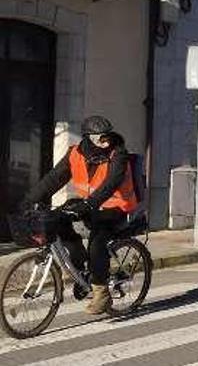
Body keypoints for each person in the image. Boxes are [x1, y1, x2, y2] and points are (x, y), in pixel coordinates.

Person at [21, 116, 140, 314]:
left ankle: (101, 293)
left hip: (117, 207)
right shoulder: (75, 154)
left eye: (107, 137)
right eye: (100, 138)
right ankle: (81, 267)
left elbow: (111, 184)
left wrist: (89, 204)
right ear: (88, 138)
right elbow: (53, 179)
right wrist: (28, 200)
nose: (105, 141)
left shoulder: (118, 154)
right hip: (90, 205)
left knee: (97, 240)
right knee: (58, 220)